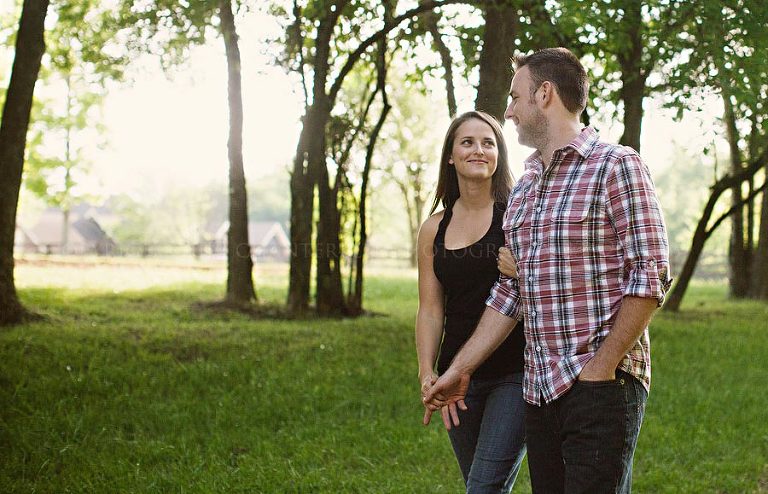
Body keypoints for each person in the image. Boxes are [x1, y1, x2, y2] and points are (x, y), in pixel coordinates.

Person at [424, 48, 672, 493]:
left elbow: (650, 275)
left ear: (544, 94)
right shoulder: (525, 188)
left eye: (515, 97)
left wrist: (603, 366)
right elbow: (508, 296)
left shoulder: (615, 166)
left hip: (600, 385)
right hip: (539, 391)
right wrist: (460, 367)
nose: (509, 111)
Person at [416, 110, 527, 493]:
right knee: (482, 485)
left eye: (488, 142)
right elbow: (430, 309)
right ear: (451, 155)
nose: (478, 150)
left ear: (500, 155)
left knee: (482, 489)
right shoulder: (434, 228)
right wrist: (426, 370)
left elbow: (548, 280)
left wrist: (521, 268)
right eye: (467, 142)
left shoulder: (518, 215)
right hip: (455, 378)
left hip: (515, 373)